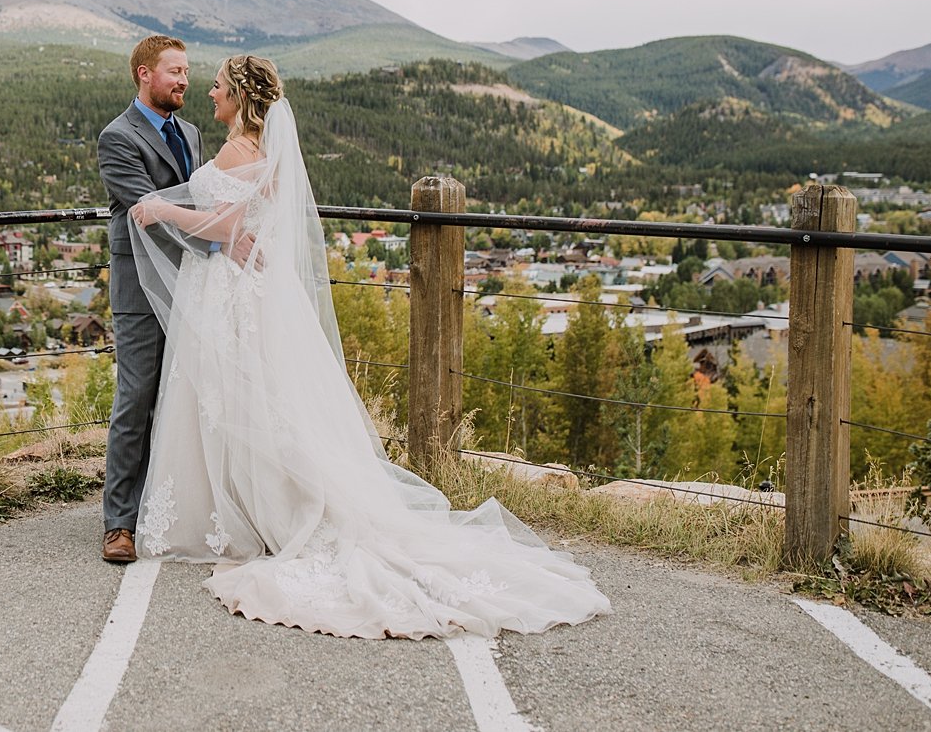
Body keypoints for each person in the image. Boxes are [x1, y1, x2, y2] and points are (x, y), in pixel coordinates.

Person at [127, 55, 611, 639]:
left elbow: (226, 226)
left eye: (219, 86)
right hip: (250, 288)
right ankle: (252, 508)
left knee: (237, 403)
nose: (209, 93)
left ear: (241, 95)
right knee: (258, 403)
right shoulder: (266, 154)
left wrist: (159, 208)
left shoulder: (236, 151)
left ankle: (246, 515)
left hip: (233, 290)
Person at [96, 35, 204, 564]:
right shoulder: (117, 136)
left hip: (195, 282)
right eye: (174, 72)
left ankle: (162, 507)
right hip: (140, 283)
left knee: (181, 395)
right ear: (144, 74)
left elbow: (195, 198)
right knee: (136, 396)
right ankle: (118, 523)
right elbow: (146, 209)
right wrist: (218, 237)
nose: (184, 80)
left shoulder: (192, 132)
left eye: (186, 71)